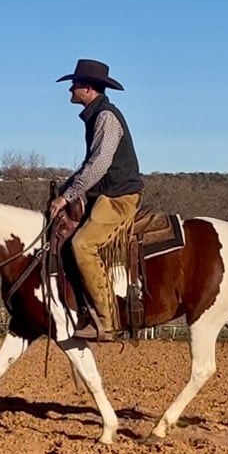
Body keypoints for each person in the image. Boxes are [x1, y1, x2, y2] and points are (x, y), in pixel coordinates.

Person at [49, 59, 144, 341]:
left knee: (83, 244)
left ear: (88, 89)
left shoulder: (106, 117)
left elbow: (99, 164)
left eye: (74, 84)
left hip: (118, 197)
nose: (70, 89)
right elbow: (92, 164)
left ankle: (107, 320)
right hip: (107, 194)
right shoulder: (96, 115)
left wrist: (67, 195)